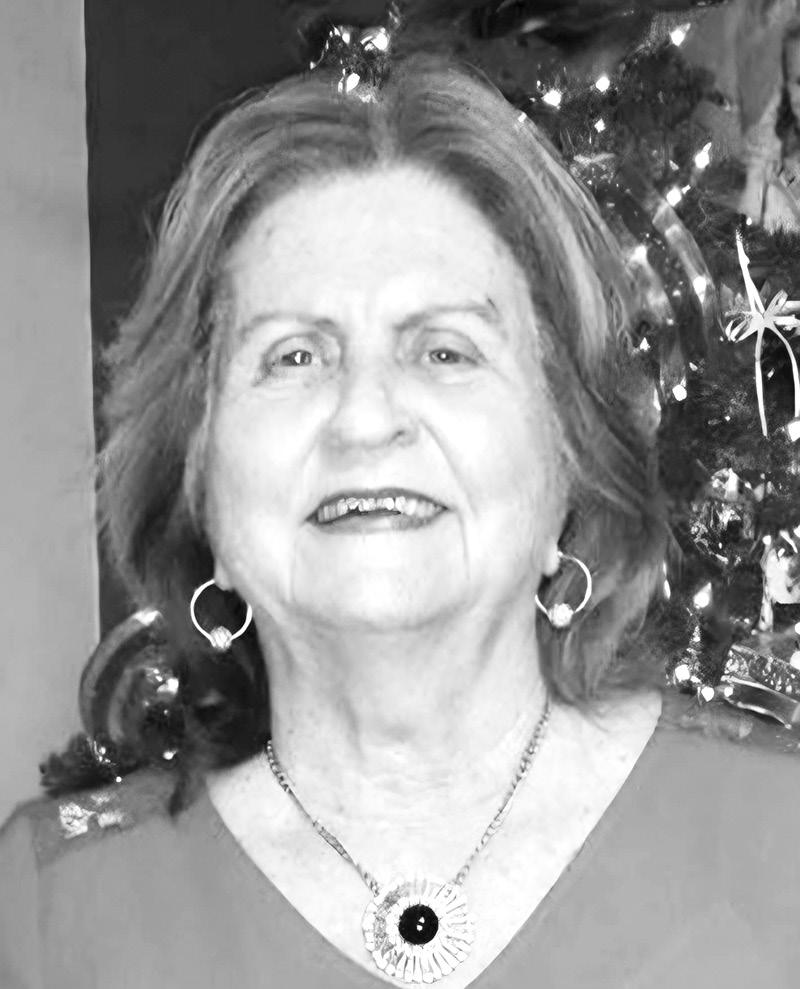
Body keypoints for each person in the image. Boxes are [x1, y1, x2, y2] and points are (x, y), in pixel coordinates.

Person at [1, 48, 798, 989]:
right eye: (293, 356)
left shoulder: (780, 833)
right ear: (197, 473)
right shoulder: (49, 909)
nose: (365, 416)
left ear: (571, 456)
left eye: (446, 351)